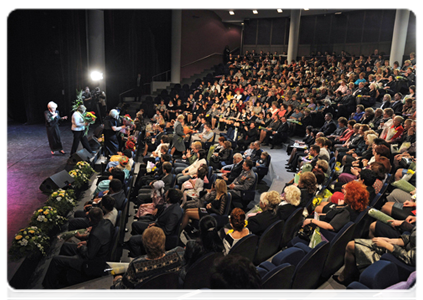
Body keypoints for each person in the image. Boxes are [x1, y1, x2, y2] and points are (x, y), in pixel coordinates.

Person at [43, 207, 114, 291]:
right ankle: (62, 276)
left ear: (90, 219)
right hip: (98, 252)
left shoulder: (95, 234)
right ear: (102, 215)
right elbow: (102, 241)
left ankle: (48, 287)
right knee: (66, 246)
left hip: (92, 264)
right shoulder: (108, 223)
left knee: (56, 260)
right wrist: (87, 242)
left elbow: (89, 256)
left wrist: (82, 248)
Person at [111, 227, 184, 299]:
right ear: (164, 241)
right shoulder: (178, 254)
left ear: (144, 244)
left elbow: (122, 292)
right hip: (169, 293)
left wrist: (118, 280)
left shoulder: (136, 266)